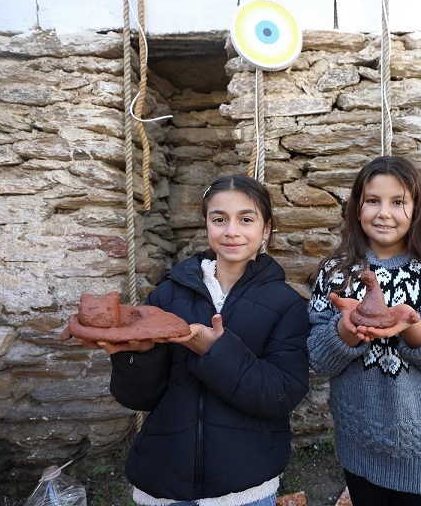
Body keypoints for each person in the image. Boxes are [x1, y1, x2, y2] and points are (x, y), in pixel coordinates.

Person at [86, 175, 310, 505]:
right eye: (219, 219)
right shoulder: (166, 295)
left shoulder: (286, 304)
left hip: (244, 485)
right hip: (164, 478)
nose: (231, 231)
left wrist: (215, 352)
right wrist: (139, 355)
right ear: (206, 224)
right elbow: (139, 397)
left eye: (246, 220)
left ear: (266, 229)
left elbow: (282, 393)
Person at [308, 155, 421, 506]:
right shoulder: (336, 274)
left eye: (398, 202)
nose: (384, 213)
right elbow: (318, 359)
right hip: (360, 443)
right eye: (373, 200)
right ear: (357, 207)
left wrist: (414, 329)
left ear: (417, 209)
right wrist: (347, 329)